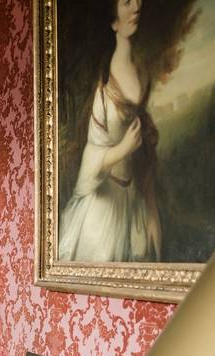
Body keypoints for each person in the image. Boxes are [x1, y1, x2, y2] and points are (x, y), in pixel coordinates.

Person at [57, 0, 161, 263]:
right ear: (114, 21)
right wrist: (122, 149)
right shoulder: (103, 87)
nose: (137, 7)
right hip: (104, 205)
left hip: (133, 198)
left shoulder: (142, 71)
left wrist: (151, 211)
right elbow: (92, 151)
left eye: (138, 1)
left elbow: (146, 155)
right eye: (127, 2)